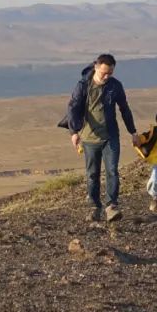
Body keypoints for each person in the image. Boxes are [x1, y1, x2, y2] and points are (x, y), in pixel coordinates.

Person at [61, 54, 138, 222]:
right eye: (104, 72)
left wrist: (133, 132)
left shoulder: (115, 86)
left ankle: (112, 206)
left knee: (112, 171)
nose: (107, 76)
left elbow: (124, 109)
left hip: (110, 136)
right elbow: (73, 108)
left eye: (110, 73)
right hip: (90, 138)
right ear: (96, 67)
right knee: (92, 174)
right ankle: (94, 207)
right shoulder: (83, 86)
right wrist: (73, 132)